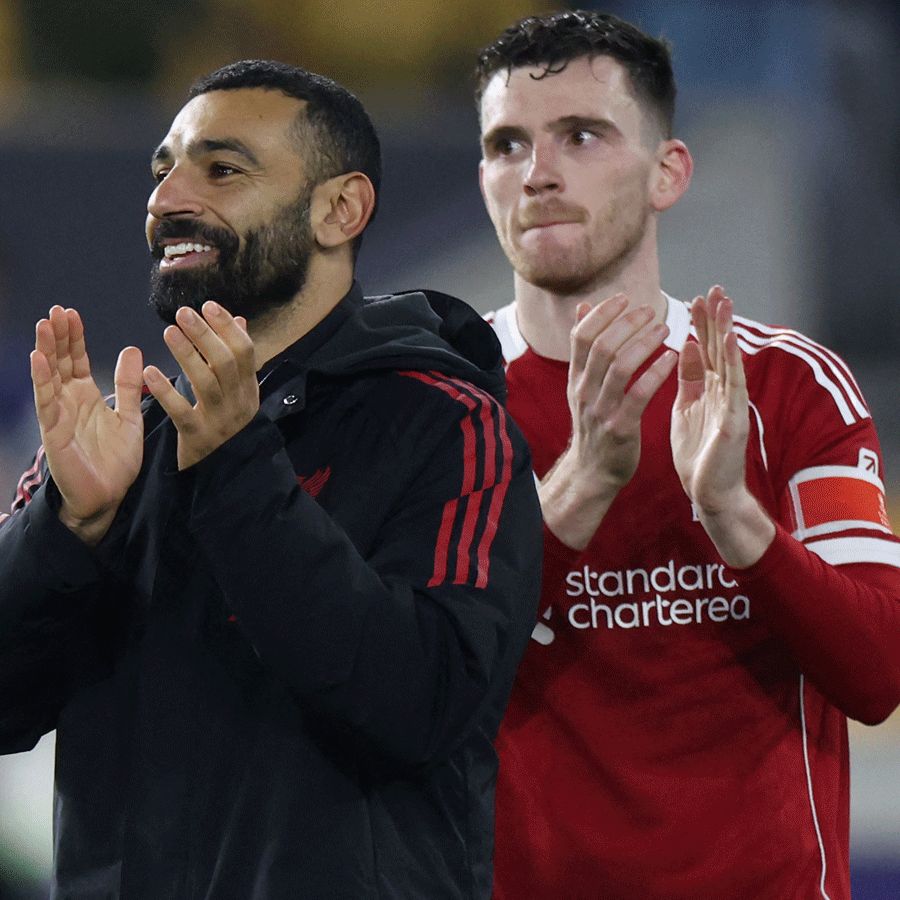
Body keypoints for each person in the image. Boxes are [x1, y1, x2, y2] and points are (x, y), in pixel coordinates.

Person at [0, 60, 542, 899]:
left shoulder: (446, 425)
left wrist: (238, 468)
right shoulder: (119, 441)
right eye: (163, 170)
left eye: (222, 169)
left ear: (339, 209)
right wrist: (66, 528)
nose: (167, 199)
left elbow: (423, 706)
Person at [475, 11, 900, 899]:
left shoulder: (791, 385)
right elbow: (413, 681)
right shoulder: (443, 402)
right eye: (506, 145)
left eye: (581, 136)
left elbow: (877, 675)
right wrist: (582, 483)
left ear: (668, 172)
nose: (537, 172)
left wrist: (734, 517)